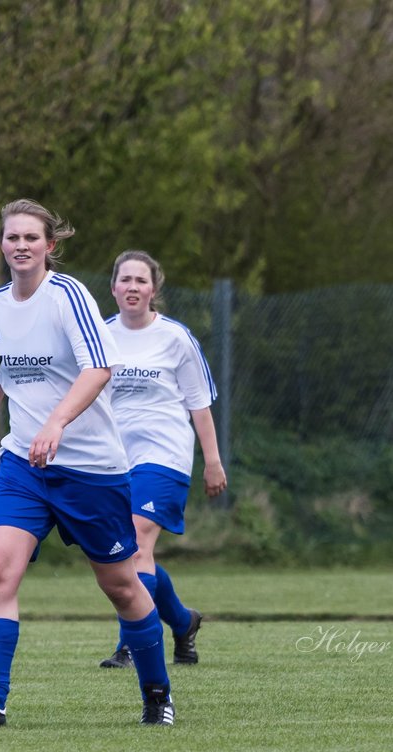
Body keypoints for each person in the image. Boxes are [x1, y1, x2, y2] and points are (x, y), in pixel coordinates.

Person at [0, 199, 176, 728]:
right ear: (2, 244)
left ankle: (157, 691)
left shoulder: (68, 297)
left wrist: (57, 423)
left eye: (31, 238)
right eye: (12, 237)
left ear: (50, 245)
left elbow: (99, 368)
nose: (20, 245)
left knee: (120, 585)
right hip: (24, 464)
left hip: (91, 469)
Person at [94, 250, 228, 670]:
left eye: (141, 280)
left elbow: (199, 404)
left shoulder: (175, 338)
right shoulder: (98, 336)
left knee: (136, 544)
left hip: (165, 456)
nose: (133, 287)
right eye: (125, 280)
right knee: (124, 553)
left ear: (154, 289)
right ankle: (182, 621)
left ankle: (132, 643)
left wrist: (212, 461)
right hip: (113, 460)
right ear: (113, 287)